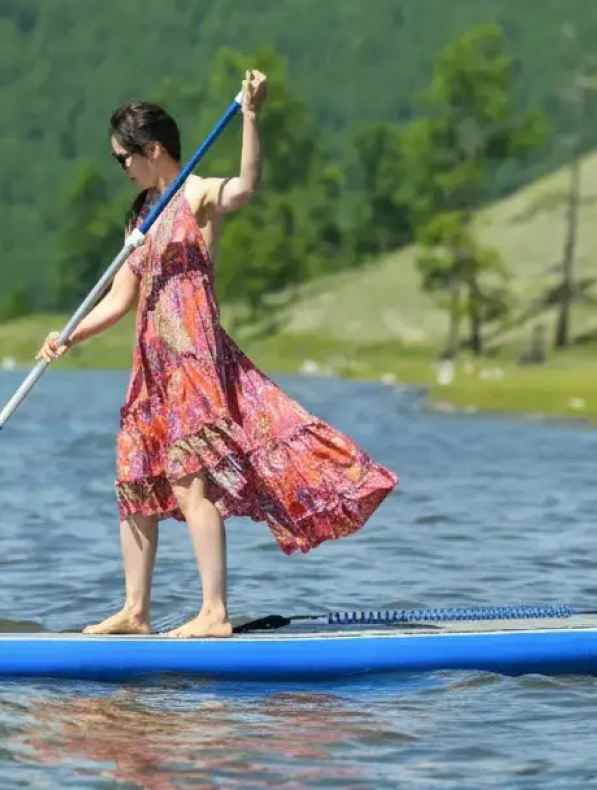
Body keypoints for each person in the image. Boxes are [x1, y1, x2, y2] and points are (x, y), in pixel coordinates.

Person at [37, 69, 398, 638]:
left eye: (122, 157)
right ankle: (135, 610)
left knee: (188, 481)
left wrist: (251, 116)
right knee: (134, 479)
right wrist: (68, 334)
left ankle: (214, 613)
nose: (121, 168)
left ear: (151, 149)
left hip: (194, 362)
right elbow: (120, 299)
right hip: (151, 368)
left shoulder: (196, 195)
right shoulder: (139, 215)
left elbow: (246, 188)